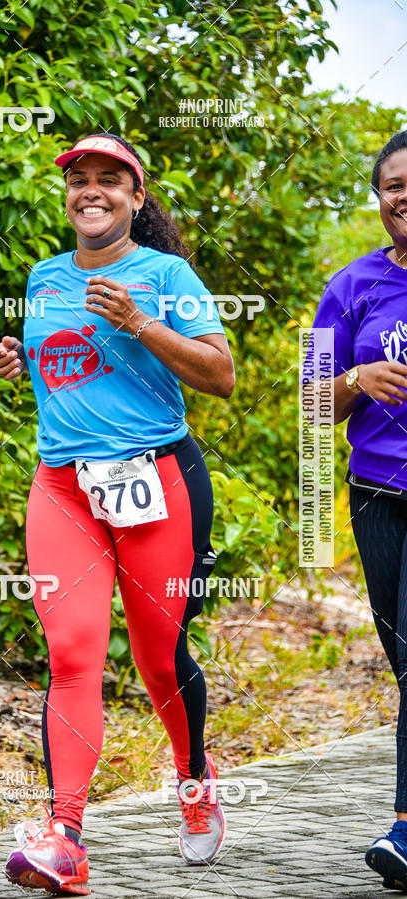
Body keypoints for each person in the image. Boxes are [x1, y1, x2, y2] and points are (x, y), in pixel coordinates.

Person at [0, 133, 235, 895]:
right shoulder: (43, 277)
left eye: (108, 182)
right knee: (72, 654)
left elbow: (221, 374)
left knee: (159, 659)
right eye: (79, 181)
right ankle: (64, 837)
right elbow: (73, 362)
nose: (90, 192)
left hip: (158, 480)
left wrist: (140, 322)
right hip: (64, 487)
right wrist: (22, 360)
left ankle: (194, 779)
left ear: (135, 197)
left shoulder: (165, 274)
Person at [310, 129, 407, 891]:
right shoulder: (352, 286)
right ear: (379, 199)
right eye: (393, 185)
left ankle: (406, 827)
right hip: (377, 495)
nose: (404, 196)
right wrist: (358, 377)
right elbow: (310, 402)